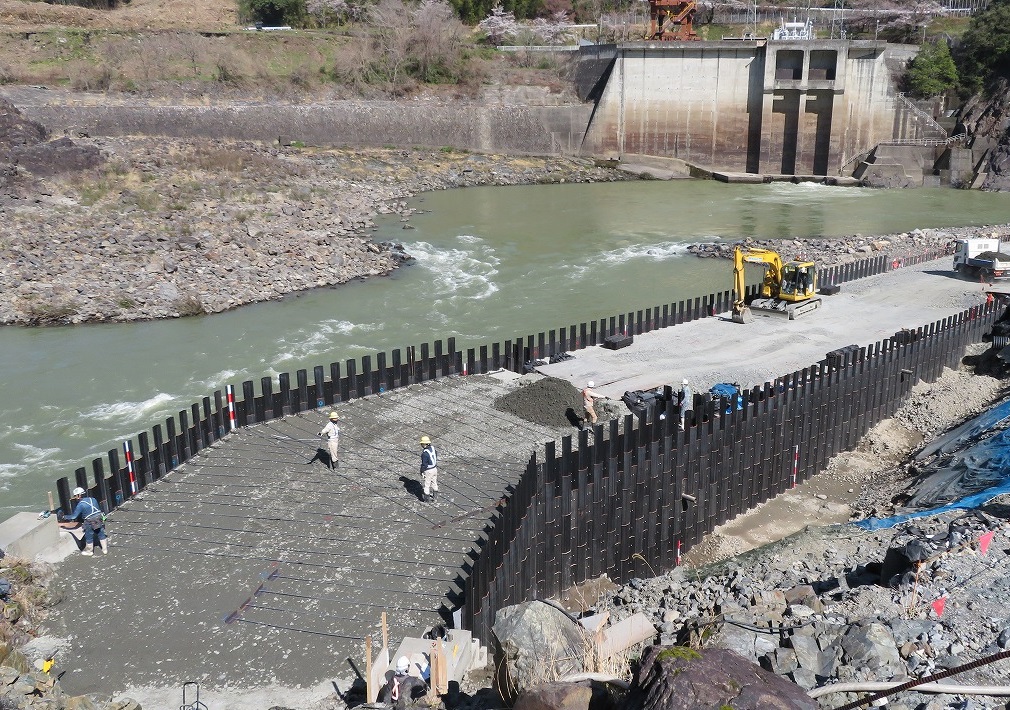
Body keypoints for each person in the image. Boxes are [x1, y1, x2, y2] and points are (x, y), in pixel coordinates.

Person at [65, 487, 108, 557]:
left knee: (89, 536)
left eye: (75, 496)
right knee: (101, 533)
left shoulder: (81, 504)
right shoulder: (93, 499)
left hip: (90, 521)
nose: (75, 498)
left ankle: (89, 551)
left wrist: (65, 517)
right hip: (99, 518)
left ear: (79, 495)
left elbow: (74, 516)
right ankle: (105, 549)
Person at [420, 435, 438, 503]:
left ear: (424, 444)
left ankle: (427, 500)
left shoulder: (425, 453)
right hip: (435, 469)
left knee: (427, 485)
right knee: (434, 482)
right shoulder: (433, 448)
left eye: (422, 444)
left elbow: (424, 464)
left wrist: (422, 471)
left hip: (429, 470)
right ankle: (435, 497)